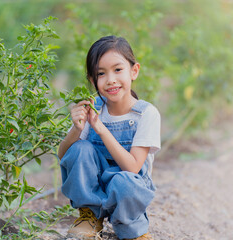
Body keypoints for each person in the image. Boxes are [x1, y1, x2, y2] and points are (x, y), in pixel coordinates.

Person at [58, 35, 161, 240]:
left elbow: (132, 168)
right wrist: (76, 129)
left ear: (134, 71)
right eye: (101, 73)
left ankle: (131, 228)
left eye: (118, 70)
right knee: (79, 148)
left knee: (124, 182)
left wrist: (101, 129)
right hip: (94, 187)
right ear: (92, 80)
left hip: (129, 190)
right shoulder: (93, 108)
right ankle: (90, 217)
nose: (111, 79)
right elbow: (63, 155)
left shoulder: (146, 114)